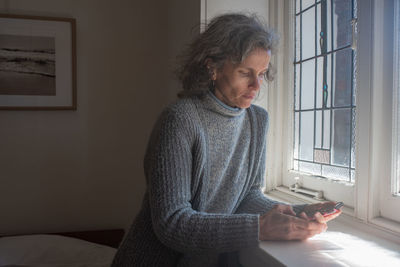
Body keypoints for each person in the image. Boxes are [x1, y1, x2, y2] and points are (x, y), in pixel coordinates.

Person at [112, 13, 341, 267]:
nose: (256, 85)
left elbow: (246, 197)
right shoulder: (179, 120)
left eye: (262, 74)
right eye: (246, 73)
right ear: (213, 67)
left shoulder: (257, 121)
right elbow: (172, 223)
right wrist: (261, 228)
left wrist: (297, 213)